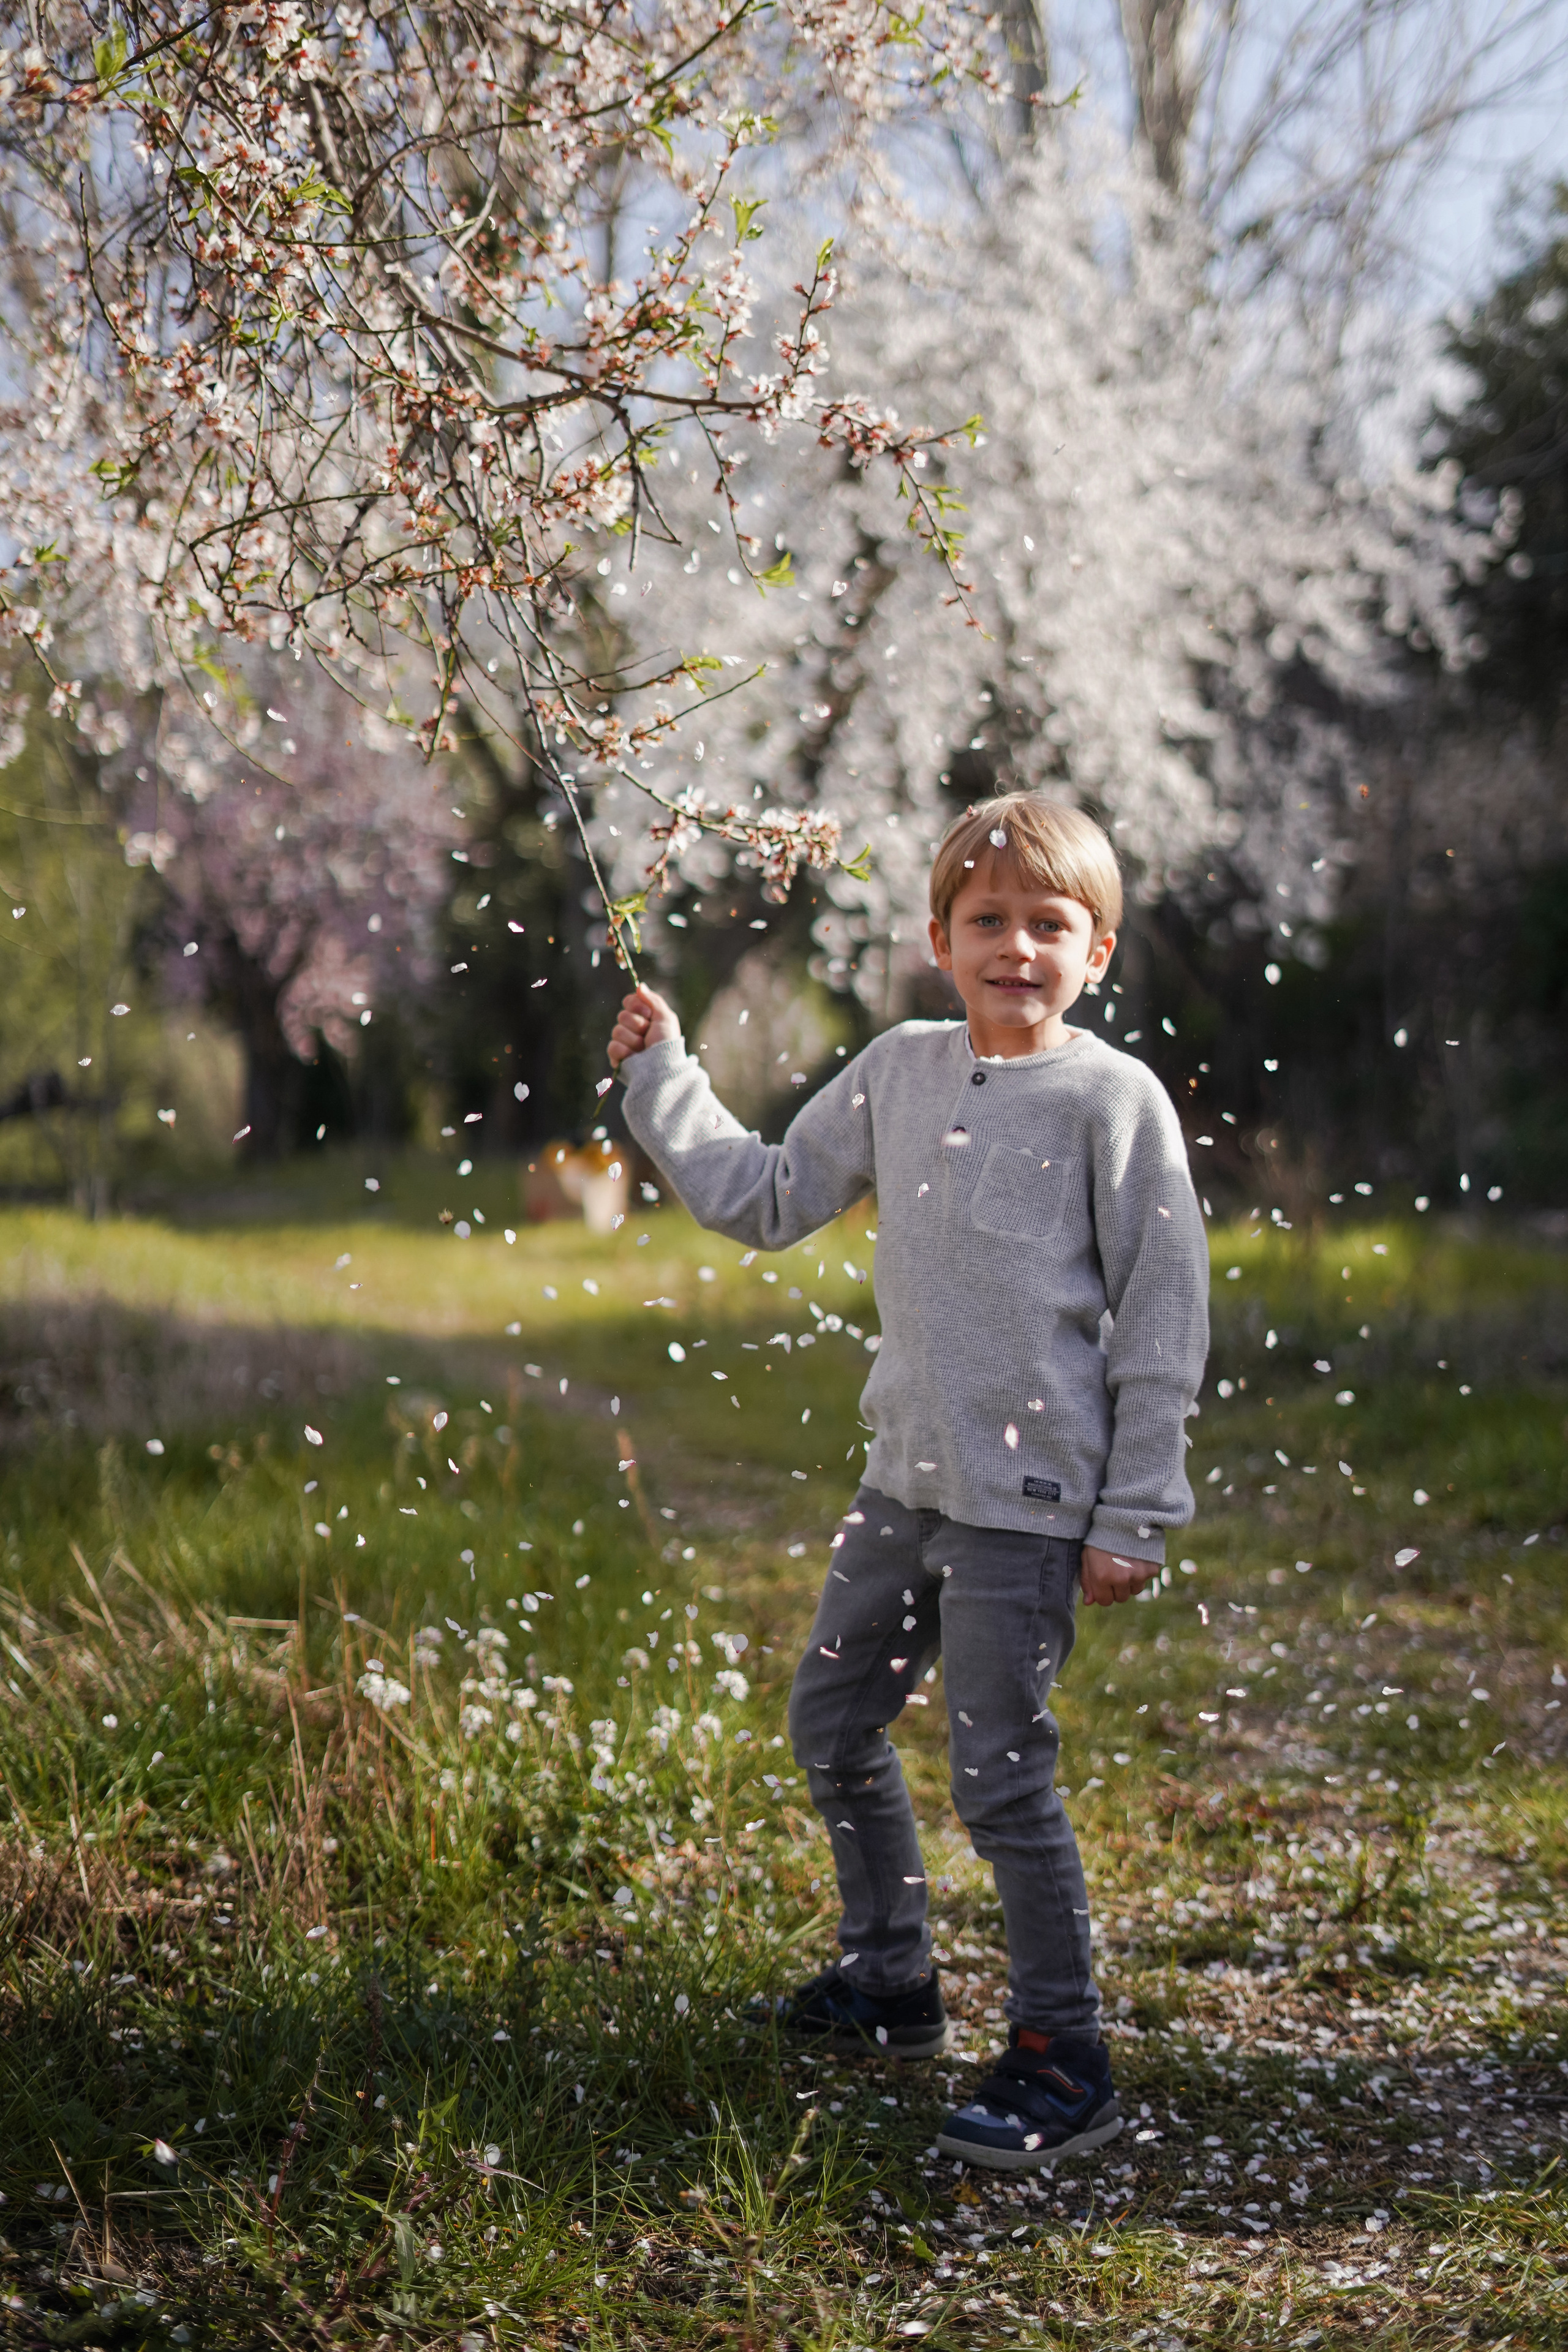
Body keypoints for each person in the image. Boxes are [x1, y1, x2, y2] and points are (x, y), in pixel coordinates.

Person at [607, 793, 1208, 2172]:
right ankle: (891, 1986)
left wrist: (1135, 1511)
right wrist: (662, 1078)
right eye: (986, 921)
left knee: (999, 1780)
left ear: (1096, 950)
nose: (1016, 947)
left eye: (1048, 924)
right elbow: (759, 1198)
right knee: (830, 1721)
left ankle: (1064, 2053)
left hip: (1027, 1510)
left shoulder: (1113, 1104)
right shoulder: (897, 1072)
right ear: (940, 940)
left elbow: (1165, 1317)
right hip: (902, 1488)